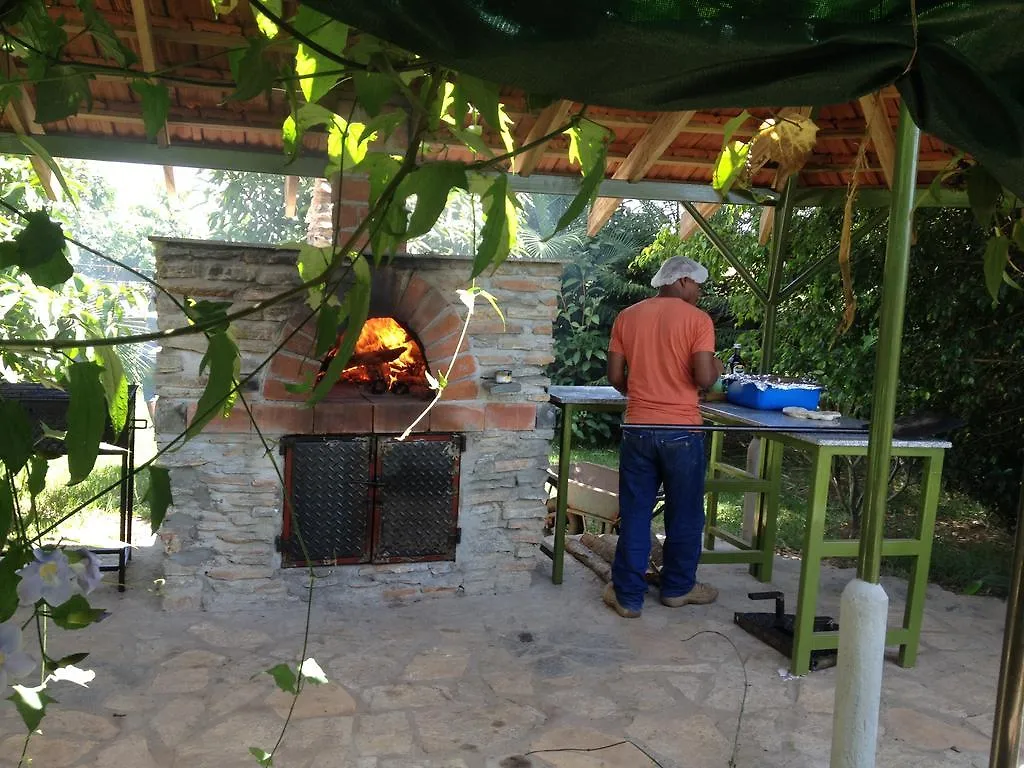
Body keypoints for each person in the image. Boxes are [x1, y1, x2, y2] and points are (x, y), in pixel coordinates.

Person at [603, 255, 723, 618]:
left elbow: (614, 375)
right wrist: (716, 366)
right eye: (698, 285)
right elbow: (704, 379)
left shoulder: (627, 316)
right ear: (683, 281)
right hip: (682, 431)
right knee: (684, 513)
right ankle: (677, 588)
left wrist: (637, 389)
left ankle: (627, 596)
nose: (700, 293)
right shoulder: (698, 320)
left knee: (637, 512)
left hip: (638, 428)